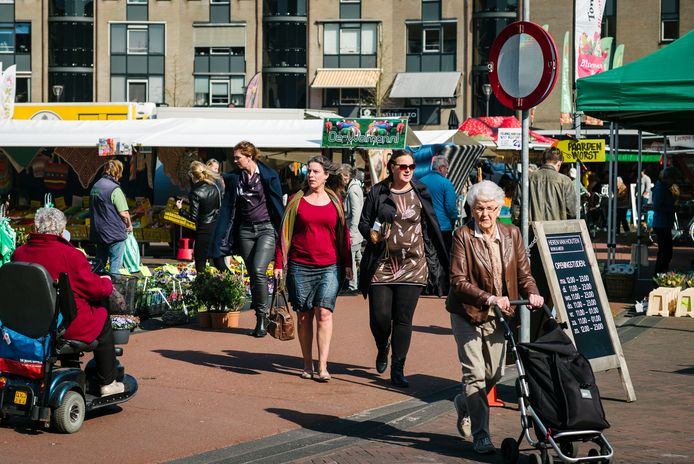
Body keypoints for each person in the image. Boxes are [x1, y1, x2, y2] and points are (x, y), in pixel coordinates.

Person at [446, 180, 544, 454]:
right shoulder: (463, 235)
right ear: (472, 209)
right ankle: (481, 436)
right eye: (479, 208)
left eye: (490, 208)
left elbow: (525, 274)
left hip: (500, 315)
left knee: (496, 373)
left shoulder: (512, 233)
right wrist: (488, 298)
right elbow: (458, 280)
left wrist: (533, 293)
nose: (485, 214)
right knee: (475, 375)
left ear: (500, 207)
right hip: (467, 312)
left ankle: (464, 403)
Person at [358, 150, 449, 388]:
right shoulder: (378, 192)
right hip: (382, 263)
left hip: (413, 264)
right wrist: (373, 235)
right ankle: (382, 345)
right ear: (392, 168)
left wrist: (437, 261)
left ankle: (398, 368)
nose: (408, 170)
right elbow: (363, 223)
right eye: (403, 166)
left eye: (411, 166)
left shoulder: (420, 191)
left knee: (403, 319)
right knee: (380, 317)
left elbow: (432, 224)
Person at [13, 207, 125, 396]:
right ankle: (108, 381)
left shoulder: (20, 253)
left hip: (28, 324)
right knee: (101, 313)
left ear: (37, 227)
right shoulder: (70, 255)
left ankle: (71, 368)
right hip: (64, 324)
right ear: (62, 229)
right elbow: (94, 289)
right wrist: (106, 281)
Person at [274, 156, 351, 382]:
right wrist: (279, 263)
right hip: (300, 265)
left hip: (329, 265)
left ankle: (323, 366)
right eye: (309, 171)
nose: (311, 175)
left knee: (324, 313)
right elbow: (283, 233)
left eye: (316, 171)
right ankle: (307, 364)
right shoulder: (296, 201)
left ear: (327, 175)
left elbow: (343, 234)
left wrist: (347, 263)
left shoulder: (335, 201)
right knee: (304, 316)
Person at [211, 141, 283, 338]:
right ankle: (260, 315)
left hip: (266, 228)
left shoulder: (269, 176)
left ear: (249, 156)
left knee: (259, 270)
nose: (234, 161)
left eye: (238, 157)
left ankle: (262, 318)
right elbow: (215, 180)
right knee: (253, 273)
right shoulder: (235, 177)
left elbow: (277, 204)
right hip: (244, 231)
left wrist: (283, 232)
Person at [176, 161, 222, 273]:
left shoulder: (195, 192)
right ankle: (233, 282)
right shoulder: (214, 186)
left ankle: (202, 287)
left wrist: (180, 210)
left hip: (204, 228)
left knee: (200, 262)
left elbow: (193, 217)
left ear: (192, 175)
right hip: (216, 226)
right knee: (218, 261)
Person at [89, 160, 132, 276]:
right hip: (114, 233)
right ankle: (113, 290)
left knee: (99, 264)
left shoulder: (95, 186)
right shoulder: (114, 189)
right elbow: (124, 214)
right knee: (115, 265)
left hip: (98, 231)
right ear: (118, 173)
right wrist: (129, 226)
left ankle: (97, 289)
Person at [419, 154, 459, 251]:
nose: (447, 172)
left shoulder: (420, 181)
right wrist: (454, 218)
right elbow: (450, 207)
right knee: (443, 257)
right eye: (447, 169)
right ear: (441, 168)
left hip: (425, 225)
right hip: (443, 227)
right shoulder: (446, 183)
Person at [528, 147, 577, 221]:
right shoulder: (565, 181)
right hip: (557, 229)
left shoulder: (527, 179)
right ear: (559, 163)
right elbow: (572, 212)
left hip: (532, 229)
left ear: (542, 161)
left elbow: (516, 210)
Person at [337, 163, 364, 294]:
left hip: (353, 229)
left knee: (352, 257)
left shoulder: (352, 190)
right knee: (358, 257)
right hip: (356, 229)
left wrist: (352, 232)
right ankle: (367, 280)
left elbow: (356, 212)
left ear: (347, 176)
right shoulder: (355, 187)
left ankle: (352, 286)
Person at [652, 168, 678, 273]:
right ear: (667, 178)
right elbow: (657, 206)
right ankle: (659, 272)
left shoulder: (663, 187)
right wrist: (672, 208)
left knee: (664, 251)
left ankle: (660, 272)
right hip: (662, 223)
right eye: (672, 179)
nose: (673, 182)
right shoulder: (660, 189)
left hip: (663, 223)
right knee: (666, 252)